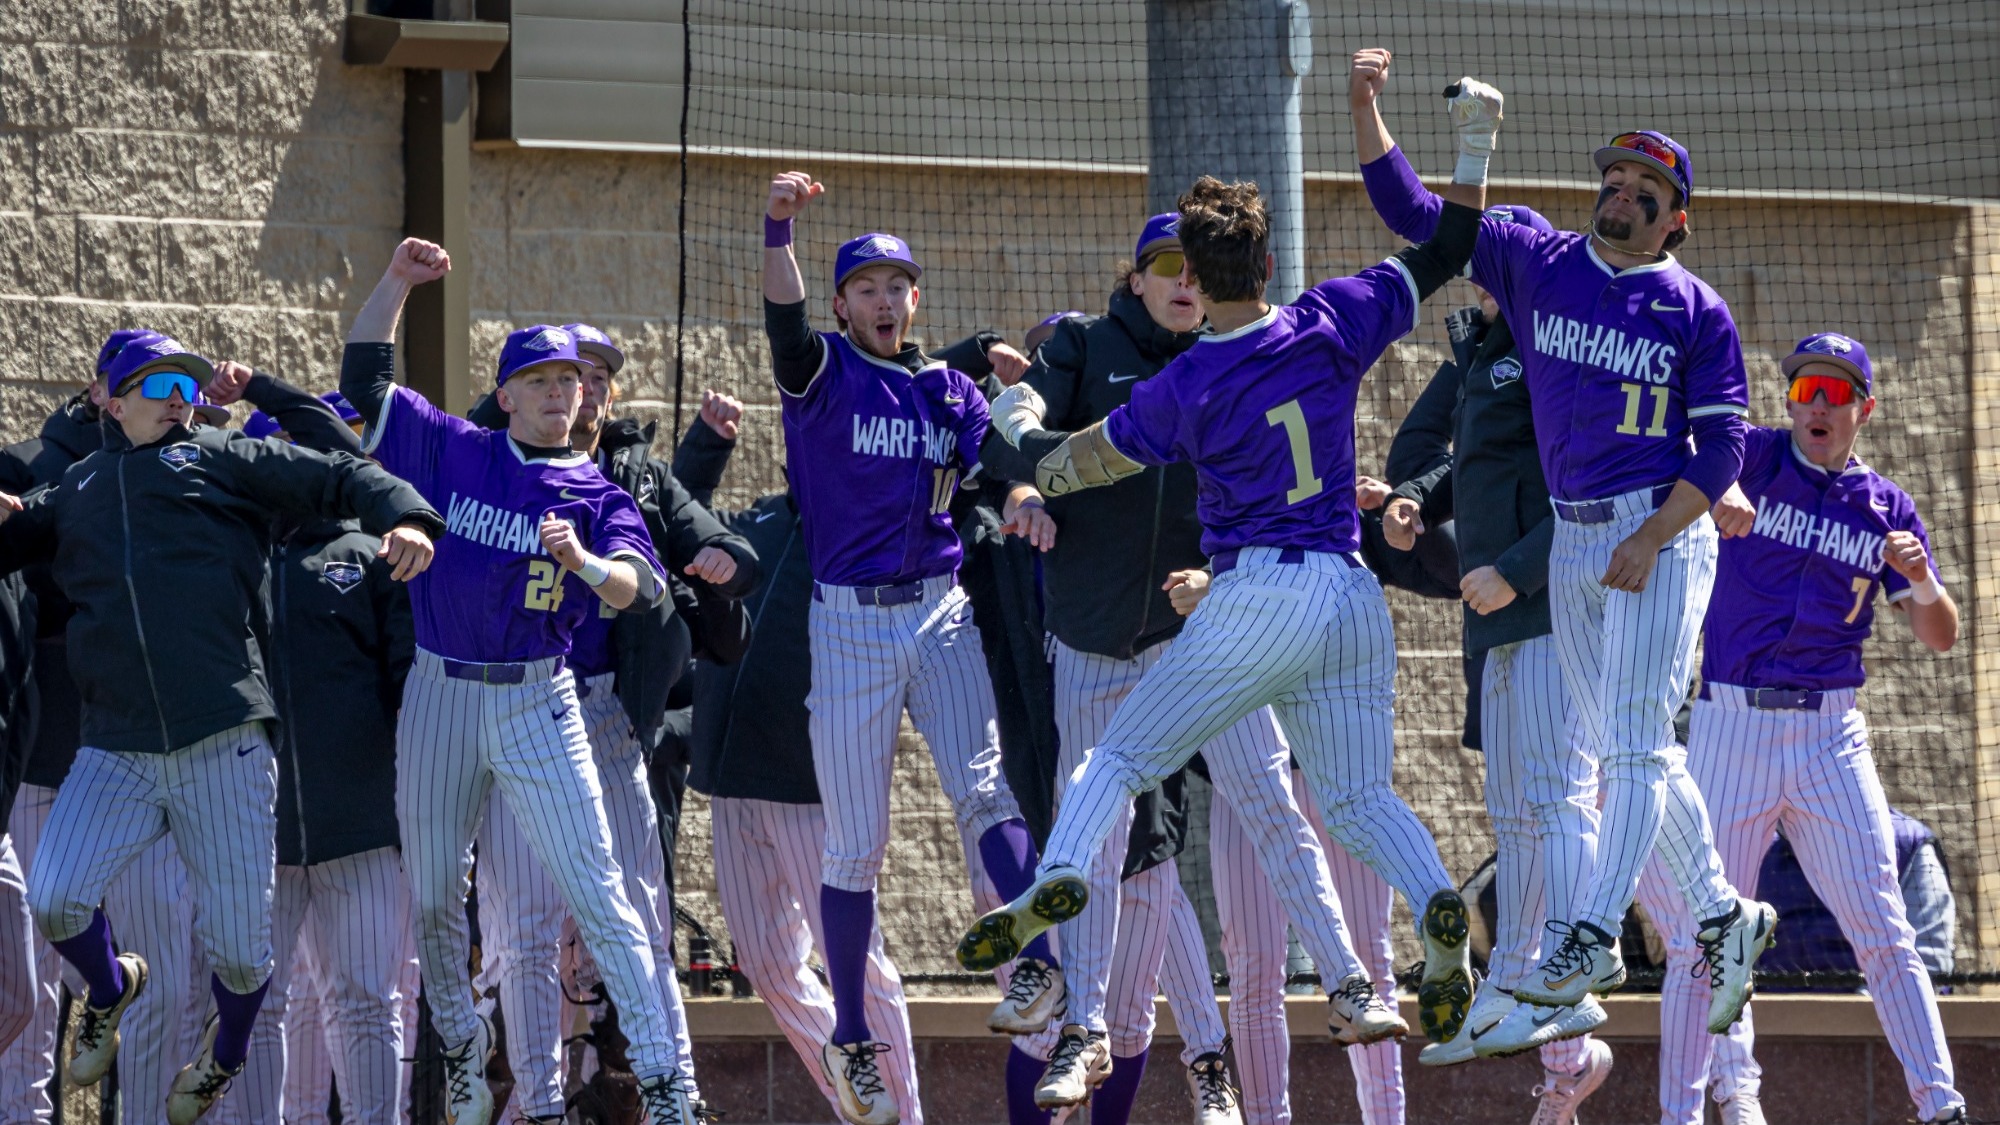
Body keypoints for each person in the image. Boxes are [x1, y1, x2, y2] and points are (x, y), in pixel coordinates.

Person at [960, 71, 1506, 1103]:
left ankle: (1059, 881)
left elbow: (1059, 459)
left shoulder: (1183, 384)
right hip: (1347, 595)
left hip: (1250, 592)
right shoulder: (1333, 315)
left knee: (1114, 762)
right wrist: (1468, 144)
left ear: (1199, 287)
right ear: (1266, 262)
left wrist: (1015, 405)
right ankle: (1437, 908)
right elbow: (1445, 246)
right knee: (1352, 798)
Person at [1350, 47, 1777, 1048]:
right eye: (1612, 181)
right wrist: (1367, 110)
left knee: (1626, 748)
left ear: (1675, 217)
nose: (1619, 197)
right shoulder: (1537, 261)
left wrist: (1658, 533)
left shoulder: (1693, 307)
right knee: (1645, 760)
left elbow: (1718, 446)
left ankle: (1588, 937)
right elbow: (1423, 218)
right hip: (1579, 539)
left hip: (1654, 543)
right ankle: (1720, 917)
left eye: (1643, 191)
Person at [977, 214, 1398, 1119]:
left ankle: (1350, 983)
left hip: (1203, 641)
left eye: (1195, 269)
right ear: (1135, 279)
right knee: (1095, 837)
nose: (1182, 282)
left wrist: (1220, 577)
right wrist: (1019, 454)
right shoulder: (1087, 346)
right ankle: (1083, 1026)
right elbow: (1020, 438)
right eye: (1164, 267)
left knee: (1273, 805)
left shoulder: (1235, 362)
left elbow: (1260, 494)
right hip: (1092, 648)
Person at [0, 333, 441, 1125]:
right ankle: (110, 985)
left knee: (240, 956)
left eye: (190, 384)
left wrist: (405, 515)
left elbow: (339, 470)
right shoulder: (78, 487)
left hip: (225, 740)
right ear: (108, 396)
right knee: (57, 900)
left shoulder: (224, 458)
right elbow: (17, 533)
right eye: (159, 381)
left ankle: (227, 1051)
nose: (180, 395)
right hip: (116, 746)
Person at [340, 238, 700, 1125]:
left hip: (543, 698)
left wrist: (585, 561)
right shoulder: (460, 450)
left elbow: (642, 589)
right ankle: (464, 1050)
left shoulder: (600, 492)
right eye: (538, 377)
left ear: (586, 396)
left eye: (570, 379)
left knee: (600, 889)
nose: (557, 390)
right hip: (441, 690)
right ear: (506, 395)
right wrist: (395, 283)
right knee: (431, 897)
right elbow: (363, 382)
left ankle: (669, 1082)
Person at [759, 173, 1055, 1125]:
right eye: (868, 286)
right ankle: (853, 1040)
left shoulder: (945, 387)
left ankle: (1040, 967)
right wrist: (777, 227)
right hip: (846, 621)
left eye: (899, 285)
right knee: (857, 845)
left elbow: (996, 464)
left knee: (984, 789)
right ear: (843, 305)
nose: (885, 299)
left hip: (937, 607)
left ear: (915, 300)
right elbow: (781, 320)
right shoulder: (822, 374)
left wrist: (1016, 493)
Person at [1634, 333, 1969, 1125]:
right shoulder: (1748, 454)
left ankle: (1942, 1107)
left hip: (1830, 734)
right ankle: (1697, 1112)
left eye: (1836, 391)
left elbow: (1942, 635)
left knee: (1886, 929)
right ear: (1789, 400)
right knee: (1701, 936)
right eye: (1806, 388)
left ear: (1864, 409)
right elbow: (1668, 442)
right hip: (1730, 719)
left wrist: (1921, 578)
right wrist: (1711, 484)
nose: (1818, 404)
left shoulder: (1885, 506)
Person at [463, 323, 755, 1125]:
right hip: (516, 710)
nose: (577, 390)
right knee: (522, 930)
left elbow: (711, 540)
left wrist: (723, 558)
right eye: (559, 376)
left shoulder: (636, 476)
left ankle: (677, 1096)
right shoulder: (489, 465)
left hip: (610, 717)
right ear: (522, 392)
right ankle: (534, 1103)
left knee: (638, 915)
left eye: (592, 376)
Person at [1379, 209, 1615, 1118]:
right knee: (1514, 810)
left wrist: (1514, 571)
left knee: (1558, 794)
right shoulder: (1480, 348)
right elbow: (1425, 445)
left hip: (1553, 604)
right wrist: (1409, 499)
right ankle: (1532, 1009)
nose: (1479, 280)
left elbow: (1595, 490)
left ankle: (1569, 967)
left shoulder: (1567, 347)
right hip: (1495, 617)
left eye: (1491, 264)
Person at [673, 401, 930, 1123]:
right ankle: (865, 1105)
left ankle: (903, 1116)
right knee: (763, 961)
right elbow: (669, 523)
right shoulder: (752, 523)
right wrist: (706, 444)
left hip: (817, 787)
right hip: (733, 783)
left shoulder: (870, 538)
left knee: (861, 967)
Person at [196, 381, 421, 1125]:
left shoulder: (369, 554)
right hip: (255, 834)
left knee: (365, 1000)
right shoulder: (232, 552)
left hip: (361, 832)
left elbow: (407, 689)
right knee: (254, 1004)